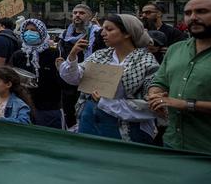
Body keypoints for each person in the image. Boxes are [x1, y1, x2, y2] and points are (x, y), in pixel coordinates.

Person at [59, 13, 160, 144]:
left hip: (125, 131)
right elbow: (74, 79)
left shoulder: (146, 62)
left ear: (127, 33)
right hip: (90, 124)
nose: (102, 34)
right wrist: (73, 56)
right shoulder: (100, 55)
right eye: (103, 29)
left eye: (109, 29)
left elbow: (151, 106)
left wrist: (107, 102)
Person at [148, 0, 211, 156]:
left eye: (202, 11)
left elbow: (179, 103)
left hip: (210, 151)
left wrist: (186, 104)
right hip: (172, 144)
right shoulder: (175, 49)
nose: (193, 17)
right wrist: (155, 96)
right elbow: (159, 82)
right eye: (188, 13)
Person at [57, 3, 106, 127]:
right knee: (70, 118)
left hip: (89, 83)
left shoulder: (97, 34)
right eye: (75, 13)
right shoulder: (65, 35)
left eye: (81, 13)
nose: (77, 15)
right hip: (68, 85)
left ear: (89, 17)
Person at [12, 18, 64, 129]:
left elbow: (62, 79)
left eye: (33, 30)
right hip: (23, 106)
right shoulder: (19, 55)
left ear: (42, 33)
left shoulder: (54, 53)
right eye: (26, 30)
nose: (29, 33)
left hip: (48, 108)